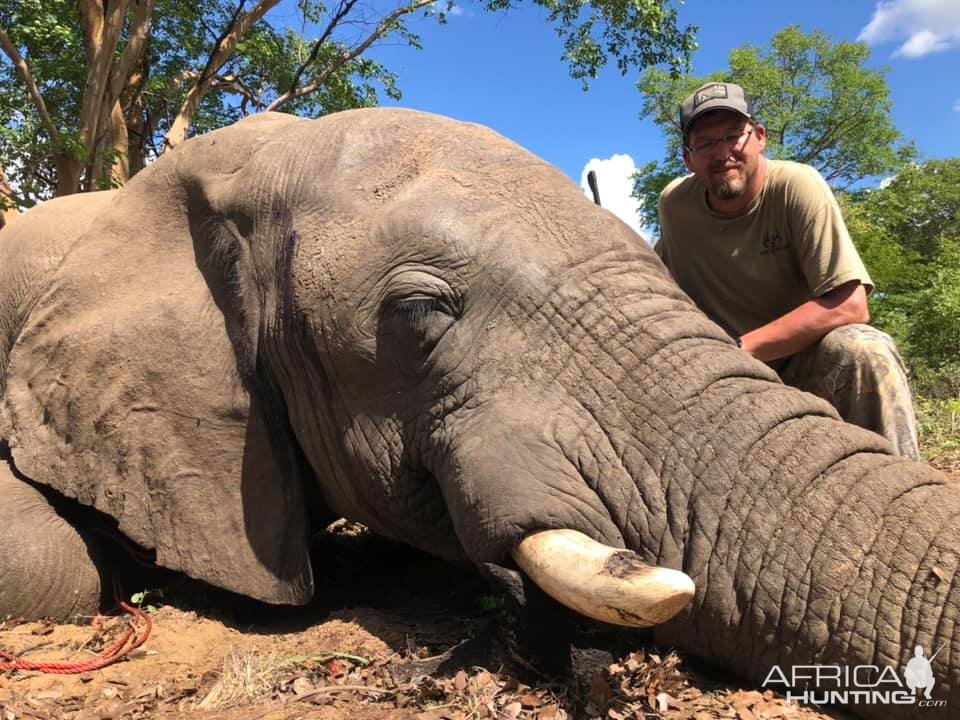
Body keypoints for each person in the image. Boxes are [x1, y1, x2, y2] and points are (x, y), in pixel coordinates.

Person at [655, 81, 920, 460]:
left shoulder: (797, 185)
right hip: (720, 385)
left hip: (797, 368)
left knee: (865, 350)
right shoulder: (674, 207)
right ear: (688, 158)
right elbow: (655, 280)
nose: (723, 153)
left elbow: (850, 305)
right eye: (706, 143)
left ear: (759, 137)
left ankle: (906, 497)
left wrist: (739, 351)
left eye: (734, 136)